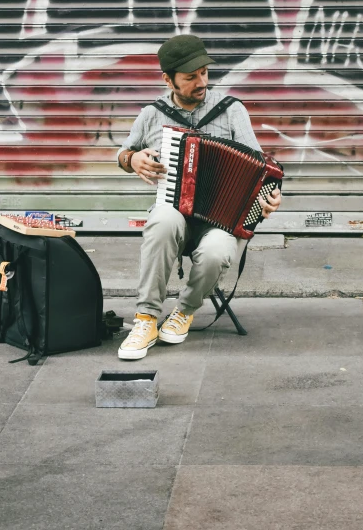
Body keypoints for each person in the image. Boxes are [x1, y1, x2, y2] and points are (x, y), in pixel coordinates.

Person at [116, 34, 282, 359]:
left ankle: (184, 310)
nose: (201, 82)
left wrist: (271, 196)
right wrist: (132, 159)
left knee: (220, 248)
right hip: (175, 214)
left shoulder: (232, 111)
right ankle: (147, 318)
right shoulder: (152, 114)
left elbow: (263, 170)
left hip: (221, 220)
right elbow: (123, 152)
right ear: (169, 80)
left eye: (204, 73)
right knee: (162, 221)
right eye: (191, 77)